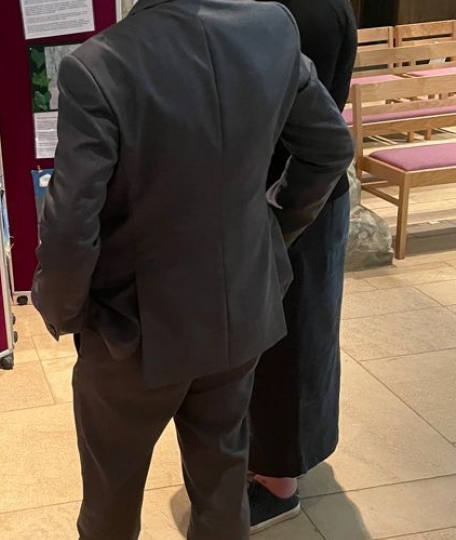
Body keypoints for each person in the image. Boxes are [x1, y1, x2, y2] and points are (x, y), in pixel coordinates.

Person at [31, 0, 354, 538]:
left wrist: (61, 309)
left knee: (112, 493)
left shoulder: (99, 64)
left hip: (131, 329)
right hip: (239, 311)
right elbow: (330, 147)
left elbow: (70, 225)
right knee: (223, 478)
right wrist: (276, 232)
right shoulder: (273, 27)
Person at [248, 0, 358, 533]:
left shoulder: (298, 13)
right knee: (295, 337)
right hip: (304, 194)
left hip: (296, 197)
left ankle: (278, 482)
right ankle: (271, 461)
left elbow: (302, 128)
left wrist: (279, 213)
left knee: (290, 345)